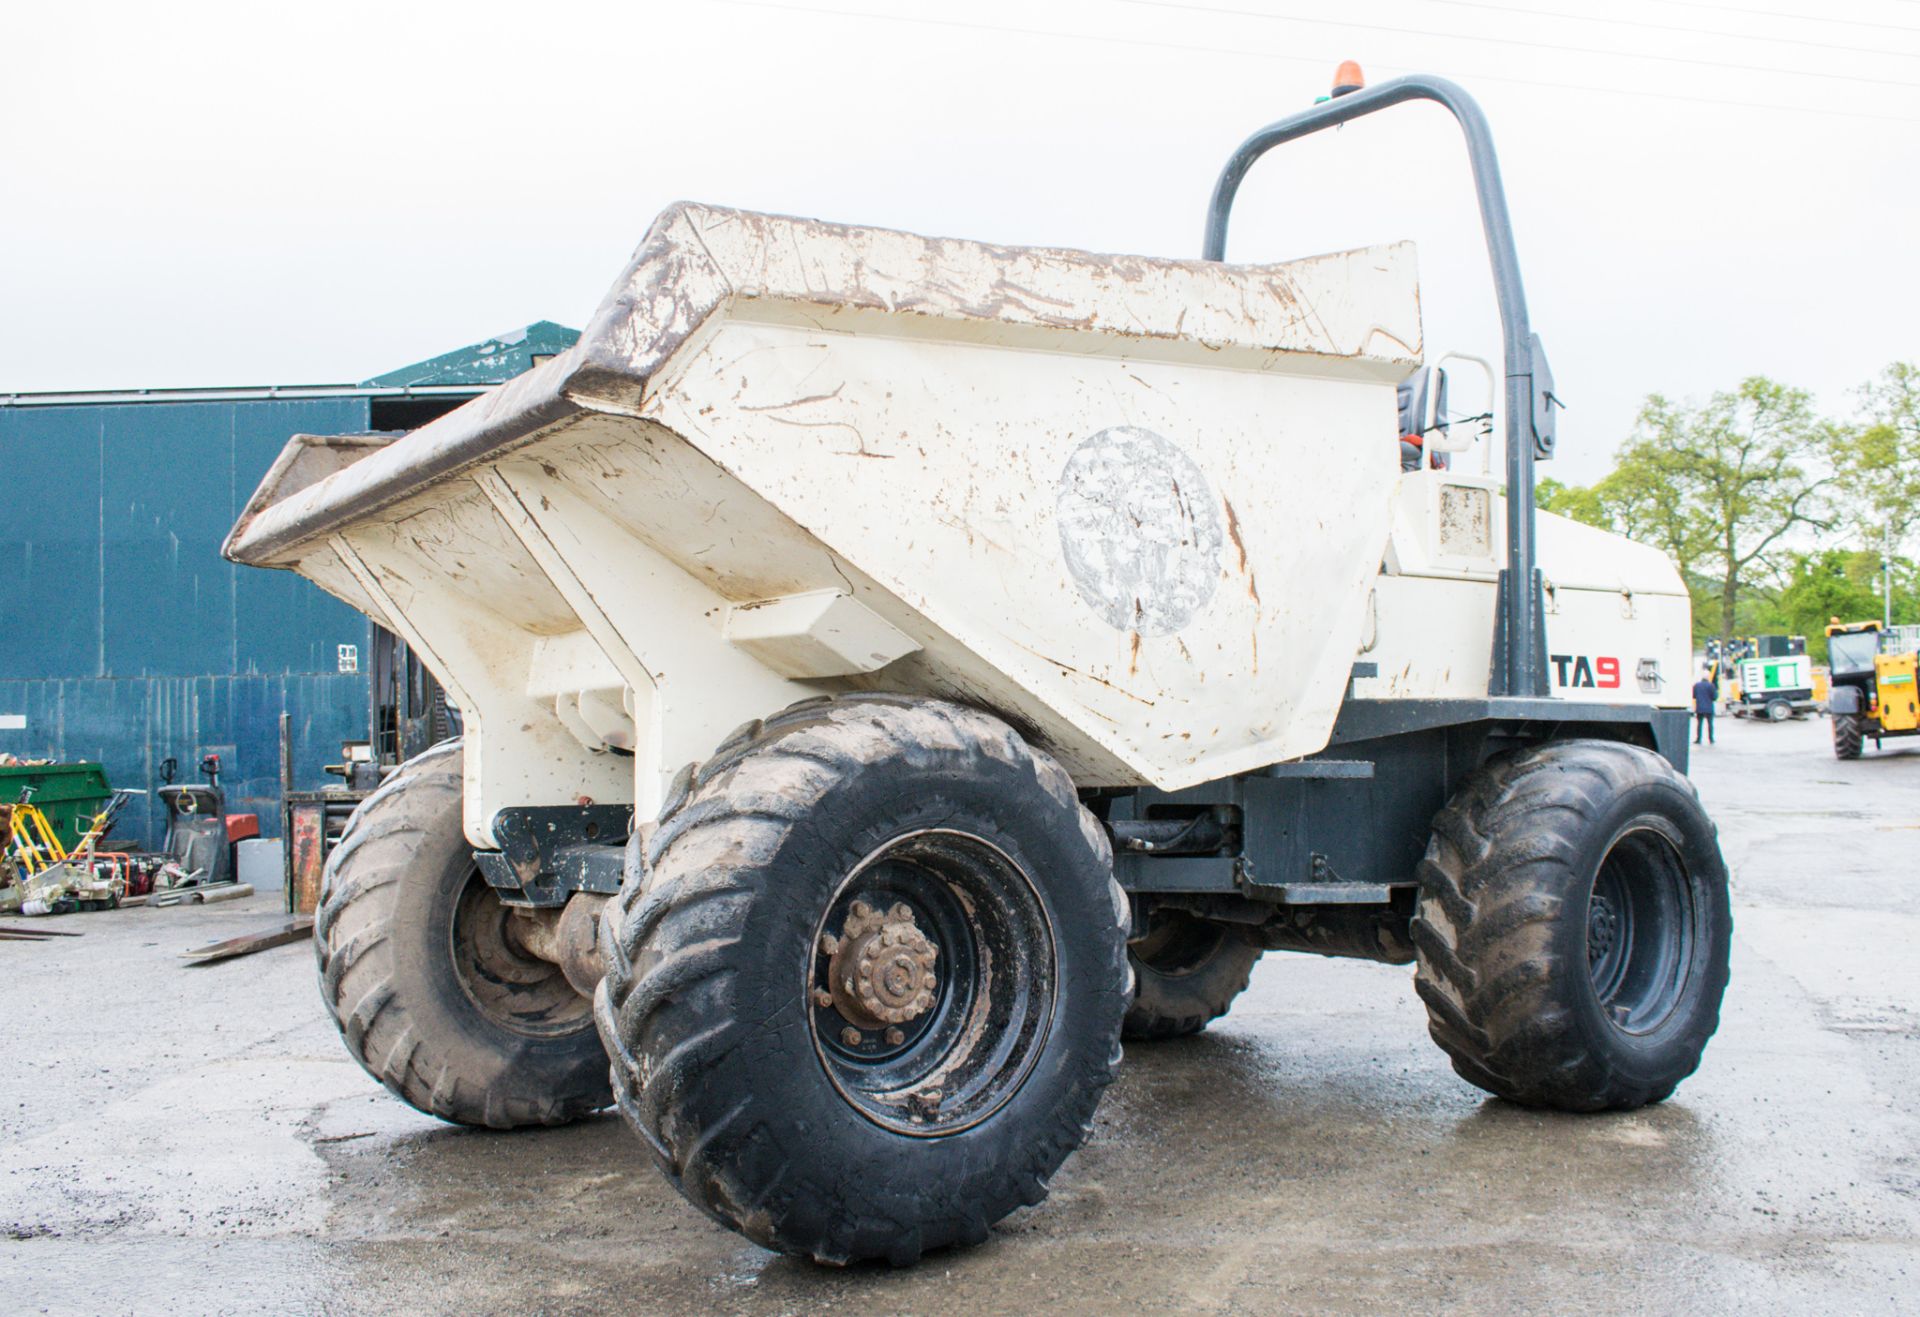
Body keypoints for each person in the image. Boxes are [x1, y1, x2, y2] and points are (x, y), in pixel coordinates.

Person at [1692, 668, 1718, 746]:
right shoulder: (1711, 686)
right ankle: (1711, 739)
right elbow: (1715, 697)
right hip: (1709, 708)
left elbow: (1694, 696)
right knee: (1710, 724)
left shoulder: (1696, 685)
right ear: (1708, 676)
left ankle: (1698, 739)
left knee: (1699, 724)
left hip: (1700, 707)